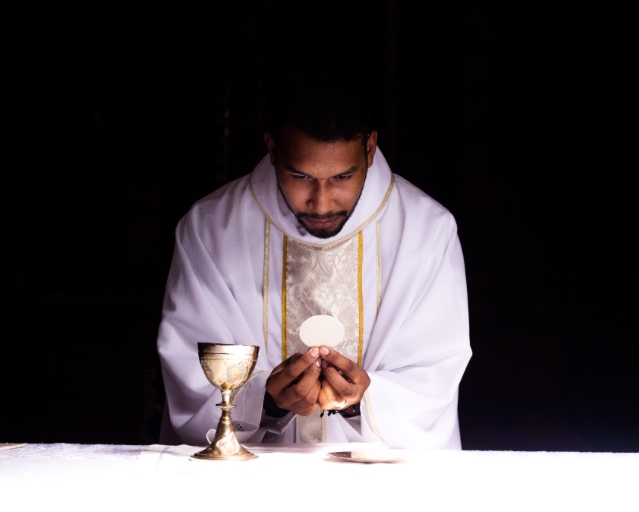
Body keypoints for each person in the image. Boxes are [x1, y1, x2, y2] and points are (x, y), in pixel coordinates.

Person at [156, 65, 472, 449]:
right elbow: (190, 373)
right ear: (272, 149)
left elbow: (435, 376)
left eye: (341, 177)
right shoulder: (211, 229)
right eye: (301, 176)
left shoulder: (427, 230)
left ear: (370, 149)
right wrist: (268, 404)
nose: (321, 203)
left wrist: (362, 402)